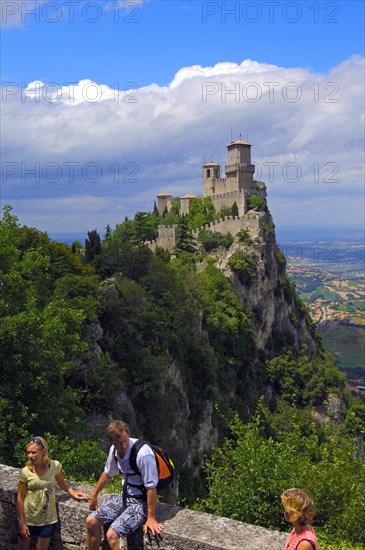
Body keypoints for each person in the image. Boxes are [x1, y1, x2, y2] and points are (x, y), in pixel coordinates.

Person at [86, 420, 164, 550]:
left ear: (127, 434)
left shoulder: (143, 453)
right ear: (112, 442)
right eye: (118, 443)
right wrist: (94, 495)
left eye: (124, 441)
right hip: (124, 497)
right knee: (91, 521)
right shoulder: (114, 451)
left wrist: (151, 517)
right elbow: (108, 474)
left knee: (112, 534)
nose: (123, 446)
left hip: (140, 503)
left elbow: (151, 487)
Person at [17, 435, 88, 550]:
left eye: (34, 452)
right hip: (29, 518)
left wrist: (73, 492)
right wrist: (21, 522)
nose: (30, 456)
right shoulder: (26, 471)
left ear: (43, 451)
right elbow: (20, 496)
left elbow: (61, 482)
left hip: (48, 518)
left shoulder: (54, 466)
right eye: (28, 452)